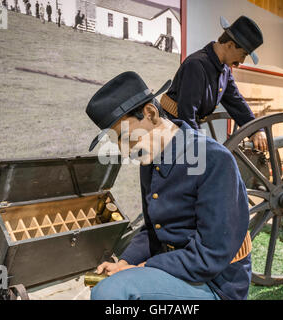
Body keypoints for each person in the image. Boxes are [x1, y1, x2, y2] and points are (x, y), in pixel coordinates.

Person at [85, 71, 252, 300]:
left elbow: (210, 256)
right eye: (118, 143)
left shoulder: (213, 159)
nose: (125, 151)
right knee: (108, 282)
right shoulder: (151, 160)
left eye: (128, 139)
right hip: (175, 270)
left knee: (111, 292)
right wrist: (126, 261)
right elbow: (154, 228)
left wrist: (141, 268)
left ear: (151, 113)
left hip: (215, 284)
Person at [161, 16, 268, 152]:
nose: (241, 62)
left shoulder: (224, 70)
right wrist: (202, 150)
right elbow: (186, 114)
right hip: (171, 132)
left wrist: (256, 130)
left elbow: (236, 101)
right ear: (229, 45)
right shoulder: (197, 65)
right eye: (243, 54)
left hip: (187, 130)